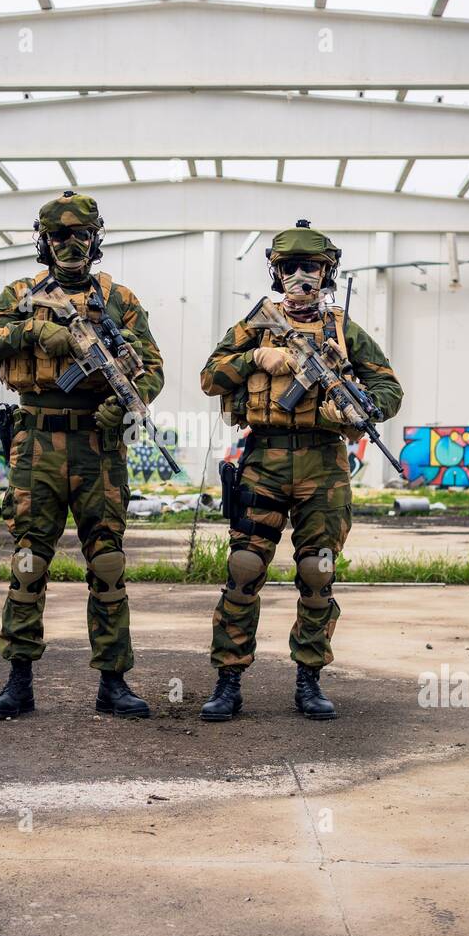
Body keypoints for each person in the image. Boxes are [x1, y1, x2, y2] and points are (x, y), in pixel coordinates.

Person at [0, 190, 164, 720]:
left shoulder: (119, 299)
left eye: (80, 234)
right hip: (35, 443)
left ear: (95, 237)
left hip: (98, 446)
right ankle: (19, 680)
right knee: (29, 562)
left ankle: (113, 682)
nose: (70, 244)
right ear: (44, 240)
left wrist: (124, 409)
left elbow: (152, 369)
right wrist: (38, 330)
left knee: (107, 562)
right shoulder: (20, 292)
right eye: (59, 235)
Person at [199, 221, 403, 723]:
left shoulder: (343, 331)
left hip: (323, 463)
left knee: (318, 572)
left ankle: (309, 679)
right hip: (264, 460)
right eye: (289, 267)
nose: (300, 277)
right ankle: (228, 681)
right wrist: (256, 358)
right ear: (276, 271)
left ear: (326, 271)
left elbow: (389, 391)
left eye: (309, 267)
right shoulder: (254, 325)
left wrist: (358, 410)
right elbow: (210, 377)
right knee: (244, 571)